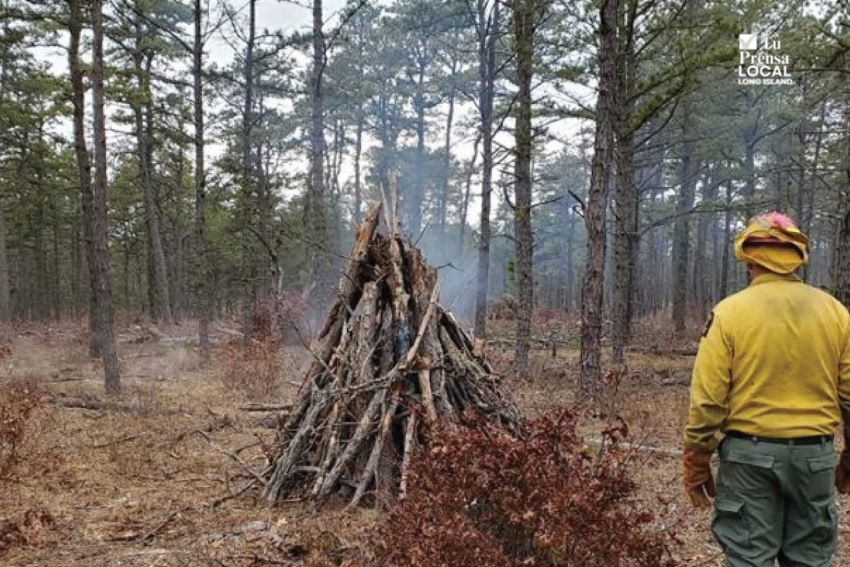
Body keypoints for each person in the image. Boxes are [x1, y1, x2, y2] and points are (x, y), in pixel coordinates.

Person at [683, 211, 850, 567]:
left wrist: (696, 455)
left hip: (748, 461)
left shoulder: (729, 313)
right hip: (815, 458)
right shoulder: (836, 313)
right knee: (809, 560)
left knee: (748, 559)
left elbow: (708, 399)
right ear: (797, 257)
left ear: (749, 260)